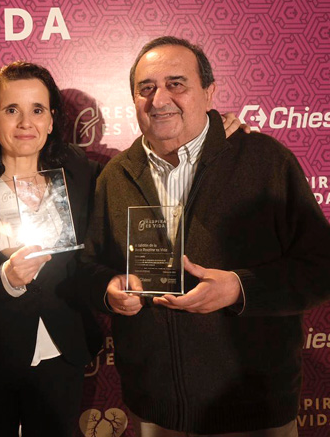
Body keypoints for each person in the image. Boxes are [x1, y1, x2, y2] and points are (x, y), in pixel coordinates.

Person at [83, 36, 330, 436]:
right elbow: (89, 265)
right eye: (146, 88)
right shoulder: (116, 175)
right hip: (158, 412)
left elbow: (321, 267)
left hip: (256, 412)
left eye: (176, 83)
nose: (159, 98)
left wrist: (239, 288)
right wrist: (108, 288)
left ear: (209, 92)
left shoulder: (265, 160)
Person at [0, 61, 104, 437]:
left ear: (51, 120)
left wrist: (214, 128)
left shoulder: (82, 176)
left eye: (37, 110)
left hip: (61, 352)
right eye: (12, 110)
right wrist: (4, 279)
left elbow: (144, 162)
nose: (26, 123)